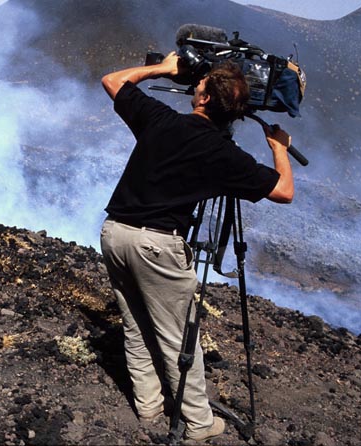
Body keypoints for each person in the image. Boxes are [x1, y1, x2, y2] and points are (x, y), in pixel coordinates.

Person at [99, 52, 294, 441]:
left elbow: (112, 80)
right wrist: (279, 149)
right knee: (178, 337)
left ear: (203, 99)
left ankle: (148, 406)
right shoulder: (224, 154)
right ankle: (198, 425)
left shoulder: (161, 120)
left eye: (201, 84)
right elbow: (284, 191)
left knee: (136, 327)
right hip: (159, 246)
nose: (196, 85)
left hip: (115, 232)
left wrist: (164, 68)